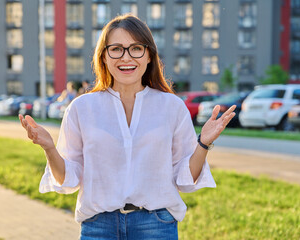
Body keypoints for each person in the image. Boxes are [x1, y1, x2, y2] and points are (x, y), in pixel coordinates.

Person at [19, 14, 235, 240]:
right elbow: (68, 180)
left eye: (136, 48)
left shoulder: (171, 106)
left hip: (156, 226)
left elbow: (184, 179)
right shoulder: (81, 108)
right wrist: (49, 149)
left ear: (149, 54)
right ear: (103, 56)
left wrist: (203, 143)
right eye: (116, 49)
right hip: (99, 226)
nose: (126, 57)